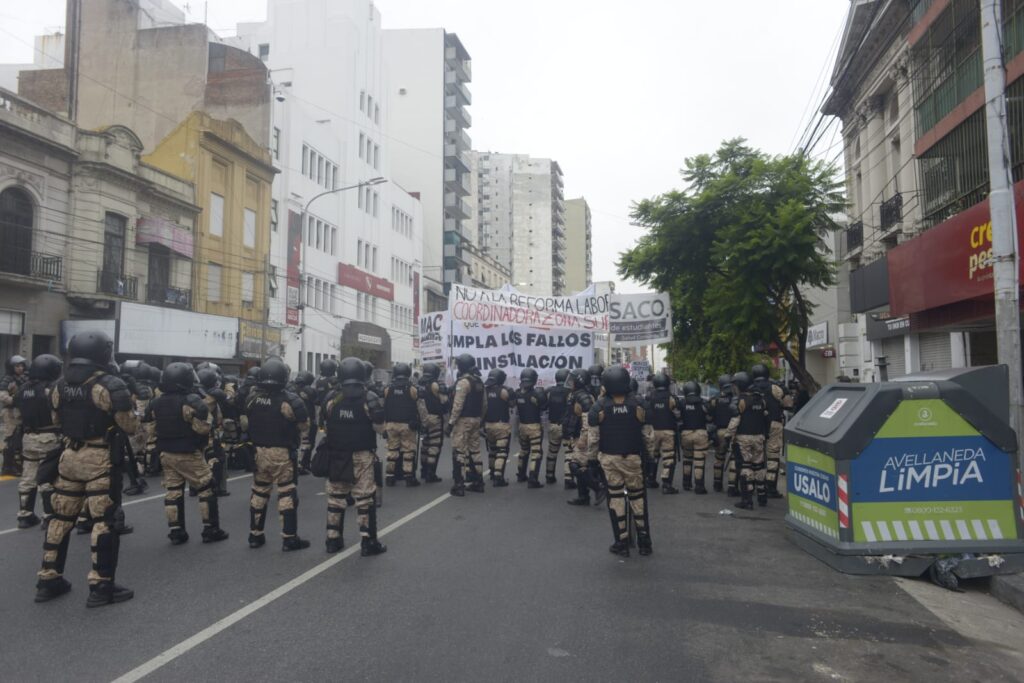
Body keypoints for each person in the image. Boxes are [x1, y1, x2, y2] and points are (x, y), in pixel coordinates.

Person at [35, 331, 137, 606]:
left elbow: (57, 419)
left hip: (69, 455)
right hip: (99, 458)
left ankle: (48, 580)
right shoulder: (109, 385)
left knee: (60, 518)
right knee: (105, 520)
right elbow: (129, 425)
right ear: (103, 353)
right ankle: (101, 586)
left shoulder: (59, 385)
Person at [144, 363, 228, 545]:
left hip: (166, 453)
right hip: (188, 452)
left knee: (173, 491)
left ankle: (176, 532)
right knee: (207, 487)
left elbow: (149, 429)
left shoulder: (155, 402)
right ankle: (211, 530)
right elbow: (202, 428)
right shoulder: (190, 401)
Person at [321, 357, 387, 556]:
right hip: (361, 455)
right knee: (364, 499)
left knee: (335, 498)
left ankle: (333, 540)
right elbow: (380, 427)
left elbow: (323, 422)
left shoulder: (331, 398)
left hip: (336, 454)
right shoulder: (369, 397)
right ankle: (368, 542)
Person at [243, 359, 311, 550]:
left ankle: (255, 535)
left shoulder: (252, 398)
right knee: (286, 492)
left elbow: (245, 421)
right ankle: (289, 538)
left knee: (259, 491)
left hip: (258, 451)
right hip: (281, 452)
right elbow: (304, 425)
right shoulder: (289, 400)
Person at [588, 366, 652, 557]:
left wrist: (592, 461)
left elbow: (593, 438)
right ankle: (644, 542)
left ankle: (621, 542)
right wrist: (651, 457)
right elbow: (648, 435)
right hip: (633, 458)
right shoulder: (639, 404)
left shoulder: (599, 407)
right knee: (637, 498)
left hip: (610, 459)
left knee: (616, 499)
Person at [13, 354, 62, 528]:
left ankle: (25, 515)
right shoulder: (51, 389)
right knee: (47, 476)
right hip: (48, 437)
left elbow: (17, 415)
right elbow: (58, 414)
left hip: (28, 437)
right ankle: (49, 516)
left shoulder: (22, 389)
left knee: (28, 476)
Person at [726, 371, 770, 510]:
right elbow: (766, 418)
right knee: (759, 466)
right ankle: (762, 497)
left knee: (745, 467)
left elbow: (735, 421)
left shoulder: (741, 401)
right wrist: (766, 434)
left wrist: (728, 436)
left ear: (740, 385)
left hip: (743, 438)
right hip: (759, 437)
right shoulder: (760, 400)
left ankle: (747, 500)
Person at [445, 353, 485, 496]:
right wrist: (480, 419)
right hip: (476, 420)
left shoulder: (463, 382)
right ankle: (478, 482)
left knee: (459, 451)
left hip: (463, 421)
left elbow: (458, 405)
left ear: (463, 366)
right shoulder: (479, 382)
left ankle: (459, 485)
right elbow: (484, 404)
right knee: (475, 451)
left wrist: (450, 423)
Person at [752, 364, 790, 499]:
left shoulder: (750, 388)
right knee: (773, 456)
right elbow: (788, 404)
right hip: (774, 423)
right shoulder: (775, 388)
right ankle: (771, 487)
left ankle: (756, 485)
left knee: (756, 456)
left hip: (756, 425)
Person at [565, 368, 599, 506]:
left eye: (572, 380)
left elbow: (588, 421)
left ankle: (597, 487)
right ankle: (583, 496)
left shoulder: (583, 397)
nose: (570, 382)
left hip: (582, 436)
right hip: (576, 434)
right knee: (580, 464)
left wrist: (583, 439)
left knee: (575, 465)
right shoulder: (575, 394)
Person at [383, 362, 420, 487]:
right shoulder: (412, 389)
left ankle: (390, 476)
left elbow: (384, 407)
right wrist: (422, 421)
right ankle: (409, 477)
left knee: (392, 450)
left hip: (391, 425)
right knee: (408, 450)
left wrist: (383, 426)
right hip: (407, 425)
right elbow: (420, 407)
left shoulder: (388, 388)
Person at [197, 368, 231, 496]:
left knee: (199, 459)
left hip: (196, 432)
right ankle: (216, 488)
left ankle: (196, 488)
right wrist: (228, 387)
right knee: (217, 459)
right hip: (211, 432)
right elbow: (229, 400)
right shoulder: (214, 394)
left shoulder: (193, 393)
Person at [644, 372, 679, 494]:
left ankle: (651, 479)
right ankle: (666, 484)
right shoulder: (671, 398)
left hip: (653, 431)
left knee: (653, 456)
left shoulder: (649, 397)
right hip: (668, 431)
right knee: (668, 457)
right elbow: (677, 413)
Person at [513, 368, 547, 488]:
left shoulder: (517, 393)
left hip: (522, 426)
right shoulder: (537, 394)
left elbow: (515, 410)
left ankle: (521, 475)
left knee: (524, 451)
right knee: (536, 453)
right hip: (534, 427)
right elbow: (544, 409)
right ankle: (533, 479)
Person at [415, 362, 447, 483]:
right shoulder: (434, 384)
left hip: (423, 418)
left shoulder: (419, 383)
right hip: (434, 417)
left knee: (425, 445)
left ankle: (423, 471)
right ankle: (430, 473)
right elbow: (444, 401)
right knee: (434, 445)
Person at [678, 381, 711, 494]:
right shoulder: (703, 403)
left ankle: (686, 483)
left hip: (686, 434)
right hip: (700, 433)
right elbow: (710, 417)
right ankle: (699, 486)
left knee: (687, 459)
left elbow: (677, 417)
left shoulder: (682, 403)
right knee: (699, 461)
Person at [482, 369, 513, 487]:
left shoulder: (484, 391)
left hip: (488, 425)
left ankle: (492, 473)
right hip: (501, 425)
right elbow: (512, 404)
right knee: (501, 452)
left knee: (492, 451)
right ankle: (498, 477)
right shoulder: (503, 391)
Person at [708, 374, 737, 494]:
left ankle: (717, 484)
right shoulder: (735, 398)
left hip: (720, 432)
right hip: (734, 432)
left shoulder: (714, 399)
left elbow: (709, 417)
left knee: (719, 458)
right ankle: (732, 487)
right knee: (733, 459)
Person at [2, 354, 28, 476]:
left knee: (19, 439)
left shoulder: (24, 379)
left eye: (22, 366)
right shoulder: (7, 379)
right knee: (11, 439)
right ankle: (8, 466)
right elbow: (3, 396)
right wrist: (15, 400)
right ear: (11, 367)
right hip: (10, 413)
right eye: (17, 366)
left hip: (21, 412)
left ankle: (17, 464)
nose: (20, 368)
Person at [289, 371, 319, 476]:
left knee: (296, 442)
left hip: (293, 419)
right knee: (307, 442)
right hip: (307, 418)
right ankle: (302, 465)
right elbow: (317, 400)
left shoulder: (291, 388)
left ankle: (299, 464)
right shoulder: (309, 390)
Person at [545, 369, 571, 486]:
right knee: (569, 453)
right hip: (566, 426)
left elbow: (544, 406)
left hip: (553, 425)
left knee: (552, 451)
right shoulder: (570, 392)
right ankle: (568, 478)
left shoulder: (549, 391)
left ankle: (549, 475)